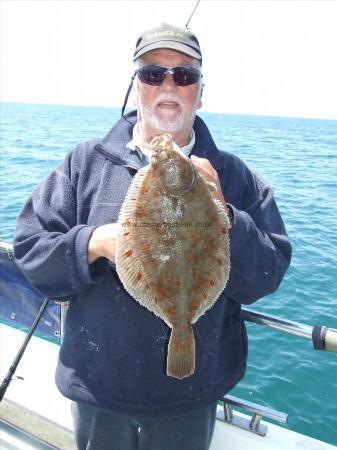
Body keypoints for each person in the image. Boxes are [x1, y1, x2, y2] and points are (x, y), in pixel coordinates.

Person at [13, 23, 292, 450]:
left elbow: (266, 276)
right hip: (97, 389)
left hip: (191, 397)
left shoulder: (234, 177)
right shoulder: (85, 164)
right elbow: (31, 252)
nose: (168, 85)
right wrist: (94, 244)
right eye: (152, 74)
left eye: (184, 75)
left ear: (201, 92)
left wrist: (228, 218)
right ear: (136, 86)